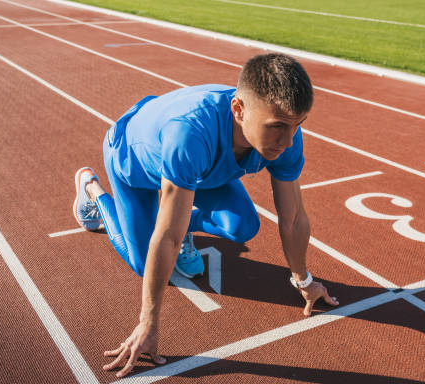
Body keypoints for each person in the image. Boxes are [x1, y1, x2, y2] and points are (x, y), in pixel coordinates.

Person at [72, 53, 339, 378]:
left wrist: (304, 281)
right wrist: (148, 323)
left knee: (244, 224)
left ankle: (181, 210)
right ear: (239, 110)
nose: (287, 141)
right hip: (132, 160)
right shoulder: (189, 134)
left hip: (202, 170)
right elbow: (168, 236)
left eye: (298, 125)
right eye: (277, 128)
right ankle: (92, 190)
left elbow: (294, 217)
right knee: (146, 265)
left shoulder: (286, 137)